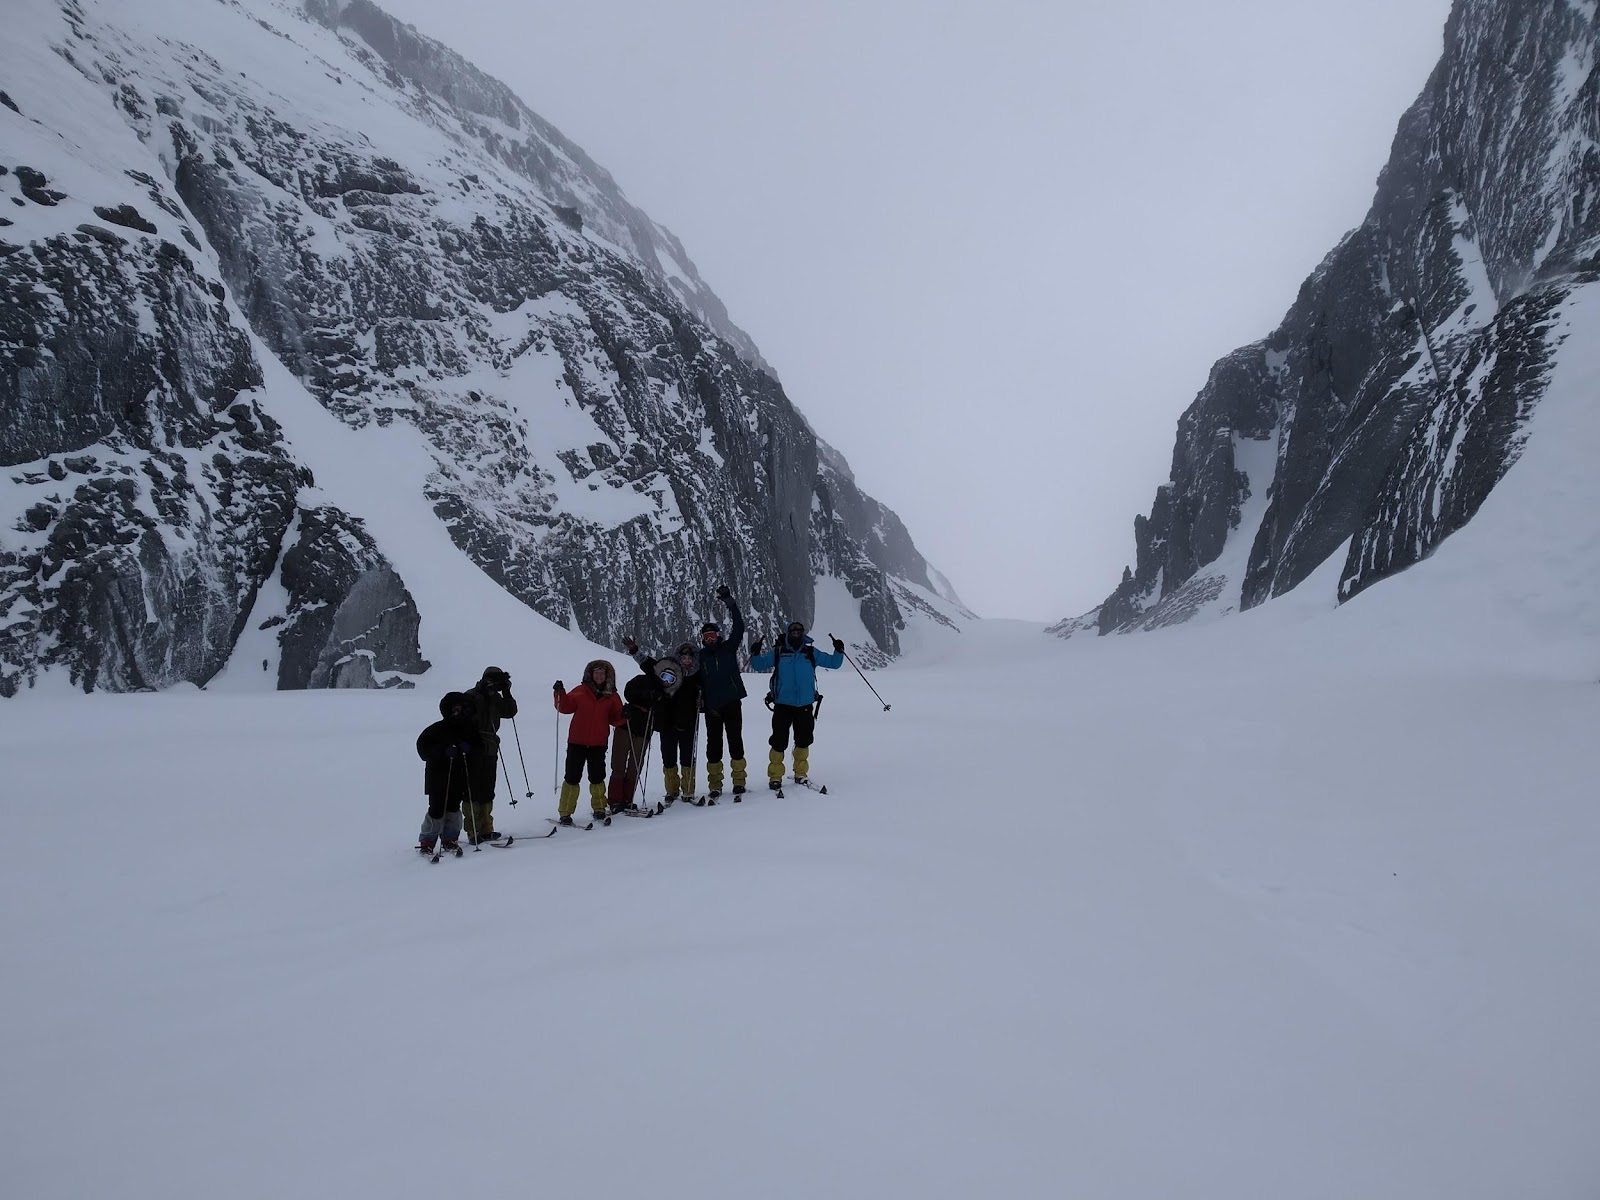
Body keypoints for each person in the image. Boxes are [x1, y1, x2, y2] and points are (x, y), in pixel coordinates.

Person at [749, 621, 844, 788]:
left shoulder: (810, 652)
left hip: (804, 704)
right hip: (783, 704)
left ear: (803, 633)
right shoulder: (779, 652)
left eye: (799, 630)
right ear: (787, 633)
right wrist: (755, 654)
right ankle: (775, 776)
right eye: (793, 630)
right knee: (779, 741)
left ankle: (800, 773)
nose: (796, 633)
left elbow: (834, 663)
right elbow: (758, 665)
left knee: (804, 740)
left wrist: (838, 651)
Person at [623, 634, 703, 803]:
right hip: (666, 721)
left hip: (688, 722)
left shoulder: (698, 675)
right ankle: (672, 790)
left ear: (694, 659)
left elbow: (707, 692)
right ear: (678, 657)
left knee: (687, 756)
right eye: (684, 657)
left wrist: (702, 701)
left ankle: (688, 790)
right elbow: (649, 665)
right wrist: (635, 651)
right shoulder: (668, 670)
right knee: (668, 756)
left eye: (689, 657)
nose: (686, 660)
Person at [553, 660, 625, 825]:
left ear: (607, 676)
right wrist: (560, 692)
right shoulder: (580, 691)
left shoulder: (612, 696)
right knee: (572, 777)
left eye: (602, 673)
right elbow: (564, 707)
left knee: (597, 777)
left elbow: (615, 719)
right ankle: (565, 813)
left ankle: (599, 808)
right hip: (576, 742)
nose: (599, 676)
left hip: (598, 743)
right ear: (591, 675)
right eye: (596, 673)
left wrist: (625, 715)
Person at [696, 584, 748, 799]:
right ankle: (715, 784)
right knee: (713, 745)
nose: (710, 639)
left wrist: (730, 602)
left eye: (713, 635)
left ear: (718, 636)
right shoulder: (701, 657)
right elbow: (696, 681)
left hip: (732, 702)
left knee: (735, 741)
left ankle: (738, 781)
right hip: (713, 707)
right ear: (703, 639)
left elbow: (739, 626)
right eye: (707, 636)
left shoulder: (728, 648)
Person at [415, 691, 483, 854]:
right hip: (437, 777)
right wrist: (443, 752)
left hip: (458, 777)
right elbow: (423, 750)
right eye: (454, 709)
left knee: (453, 808)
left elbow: (479, 748)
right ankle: (427, 840)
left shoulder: (469, 729)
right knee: (436, 809)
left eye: (460, 708)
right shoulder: (436, 729)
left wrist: (470, 748)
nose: (457, 712)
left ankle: (450, 838)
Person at [461, 666, 517, 842]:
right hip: (473, 747)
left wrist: (507, 691)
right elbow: (460, 719)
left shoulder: (496, 698)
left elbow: (510, 711)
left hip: (490, 747)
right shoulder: (471, 696)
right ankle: (473, 831)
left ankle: (486, 829)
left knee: (487, 789)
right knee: (473, 791)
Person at [607, 665, 667, 813]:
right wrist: (648, 695)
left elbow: (663, 714)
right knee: (619, 763)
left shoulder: (666, 692)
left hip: (644, 728)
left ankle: (627, 800)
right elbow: (629, 692)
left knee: (635, 765)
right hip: (626, 724)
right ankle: (615, 801)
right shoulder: (641, 680)